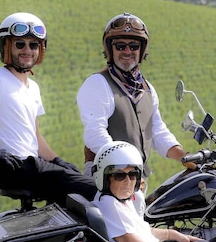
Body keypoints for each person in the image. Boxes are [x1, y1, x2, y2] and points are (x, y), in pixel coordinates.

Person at [0, 11, 97, 207]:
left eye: (33, 45)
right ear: (6, 47)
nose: (27, 50)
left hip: (30, 166)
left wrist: (57, 160)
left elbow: (35, 137)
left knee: (72, 198)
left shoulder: (33, 88)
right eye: (20, 44)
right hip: (12, 168)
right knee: (96, 190)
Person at [91, 141, 216, 242]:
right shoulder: (109, 205)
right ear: (105, 177)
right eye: (119, 175)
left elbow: (141, 231)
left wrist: (172, 234)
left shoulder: (119, 200)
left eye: (133, 174)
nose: (128, 181)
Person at [76, 12, 191, 187]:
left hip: (135, 181)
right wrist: (124, 167)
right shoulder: (98, 83)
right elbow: (94, 134)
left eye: (134, 46)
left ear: (141, 50)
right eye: (120, 46)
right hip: (107, 179)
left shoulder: (147, 89)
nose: (127, 51)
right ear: (110, 49)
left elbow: (158, 132)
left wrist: (186, 159)